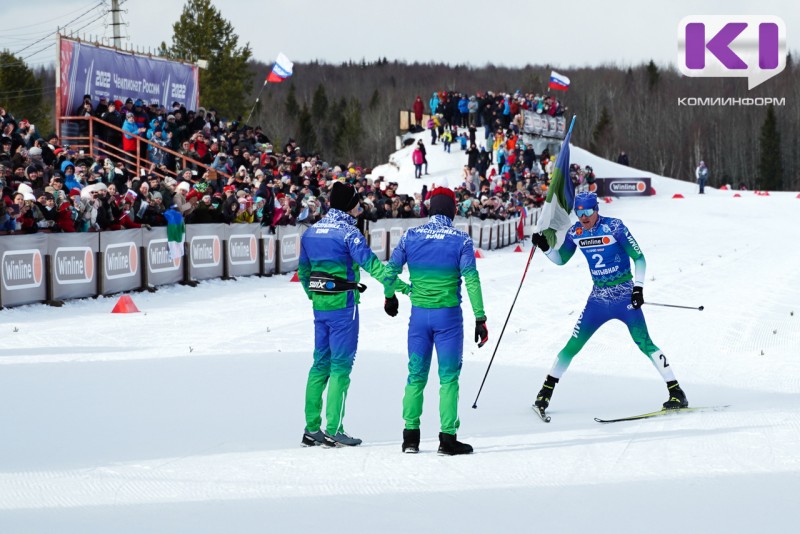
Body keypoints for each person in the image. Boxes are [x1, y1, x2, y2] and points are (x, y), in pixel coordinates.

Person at [529, 191, 688, 416]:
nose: (583, 217)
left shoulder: (614, 227)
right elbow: (561, 259)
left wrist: (638, 288)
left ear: (597, 209)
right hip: (598, 300)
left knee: (644, 342)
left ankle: (676, 392)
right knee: (573, 345)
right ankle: (545, 392)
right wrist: (546, 248)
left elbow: (639, 258)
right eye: (579, 212)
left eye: (587, 212)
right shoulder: (575, 232)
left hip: (624, 296)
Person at [298, 181, 408, 448]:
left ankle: (312, 428)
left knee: (319, 365)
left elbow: (303, 272)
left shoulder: (310, 232)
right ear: (350, 204)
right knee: (340, 368)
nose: (360, 206)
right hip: (344, 308)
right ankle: (334, 429)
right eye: (357, 202)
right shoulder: (349, 233)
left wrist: (314, 295)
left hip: (320, 307)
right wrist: (404, 288)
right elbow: (375, 268)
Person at [383, 187, 488, 455]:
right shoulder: (460, 240)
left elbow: (389, 271)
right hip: (448, 318)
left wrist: (391, 295)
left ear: (429, 208)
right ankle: (448, 439)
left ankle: (410, 437)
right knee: (448, 379)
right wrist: (480, 317)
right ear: (452, 210)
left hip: (419, 316)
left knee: (416, 375)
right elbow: (471, 280)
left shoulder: (410, 236)